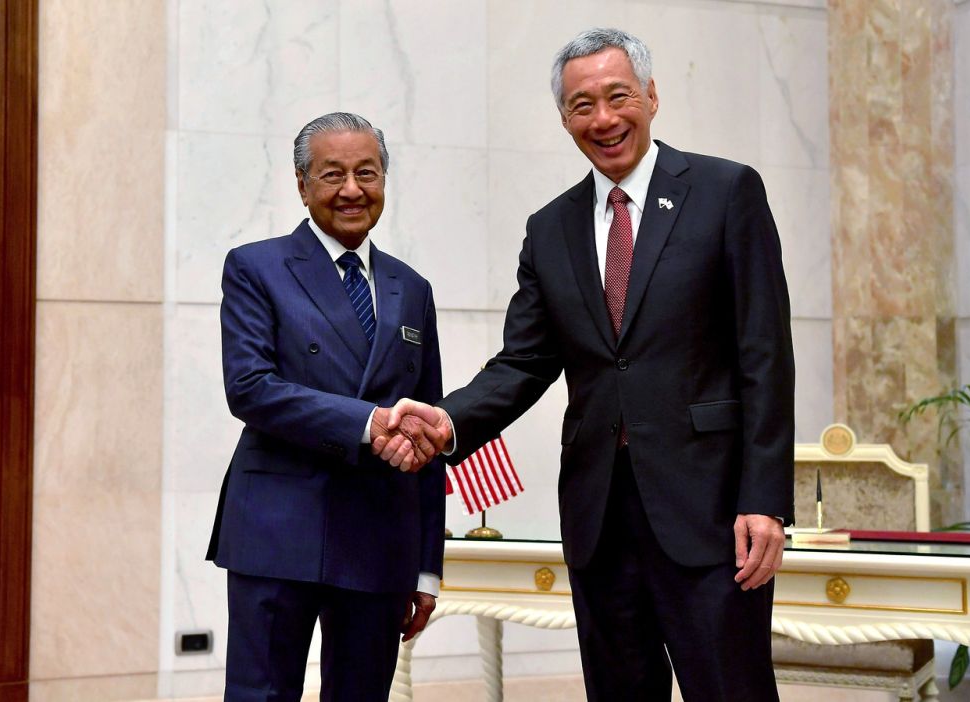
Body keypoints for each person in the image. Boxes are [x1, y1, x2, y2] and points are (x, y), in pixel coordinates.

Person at [379, 28, 795, 701]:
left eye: (617, 96)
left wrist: (764, 499)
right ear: (564, 117)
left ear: (652, 97)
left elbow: (765, 354)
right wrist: (444, 420)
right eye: (582, 105)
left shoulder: (726, 193)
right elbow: (524, 362)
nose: (603, 119)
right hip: (601, 516)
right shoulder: (551, 228)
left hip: (712, 511)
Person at [206, 112, 447, 702]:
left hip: (379, 534)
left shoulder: (410, 288)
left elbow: (428, 429)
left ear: (384, 180)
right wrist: (366, 422)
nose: (351, 190)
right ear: (300, 183)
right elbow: (251, 388)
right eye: (331, 174)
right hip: (277, 529)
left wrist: (426, 565)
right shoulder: (255, 267)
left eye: (367, 173)